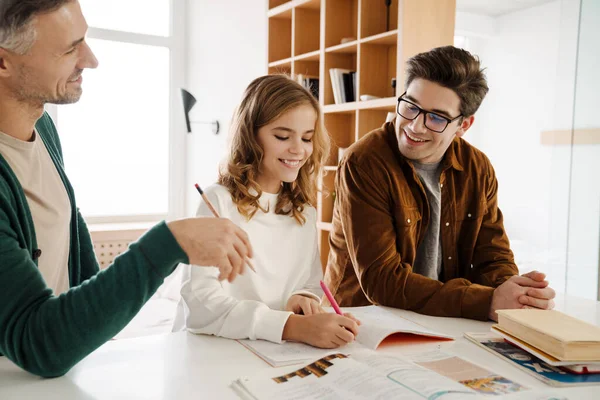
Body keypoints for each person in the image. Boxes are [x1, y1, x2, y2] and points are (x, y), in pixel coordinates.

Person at [0, 0, 252, 377]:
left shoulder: (45, 131)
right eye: (70, 49)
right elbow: (39, 344)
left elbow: (68, 226)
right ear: (3, 62)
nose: (91, 60)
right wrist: (168, 245)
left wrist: (97, 330)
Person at [324, 46, 556, 321]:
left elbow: (492, 256)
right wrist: (486, 301)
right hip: (364, 320)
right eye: (410, 107)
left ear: (463, 125)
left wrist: (516, 294)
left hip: (442, 319)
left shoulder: (477, 168)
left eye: (436, 117)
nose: (415, 126)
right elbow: (381, 281)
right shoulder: (364, 162)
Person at [174, 75, 360, 348]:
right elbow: (202, 304)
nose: (298, 149)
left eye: (307, 138)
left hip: (273, 351)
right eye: (282, 136)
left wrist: (302, 299)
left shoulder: (303, 211)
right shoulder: (218, 202)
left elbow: (309, 282)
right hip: (214, 349)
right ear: (251, 137)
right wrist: (291, 327)